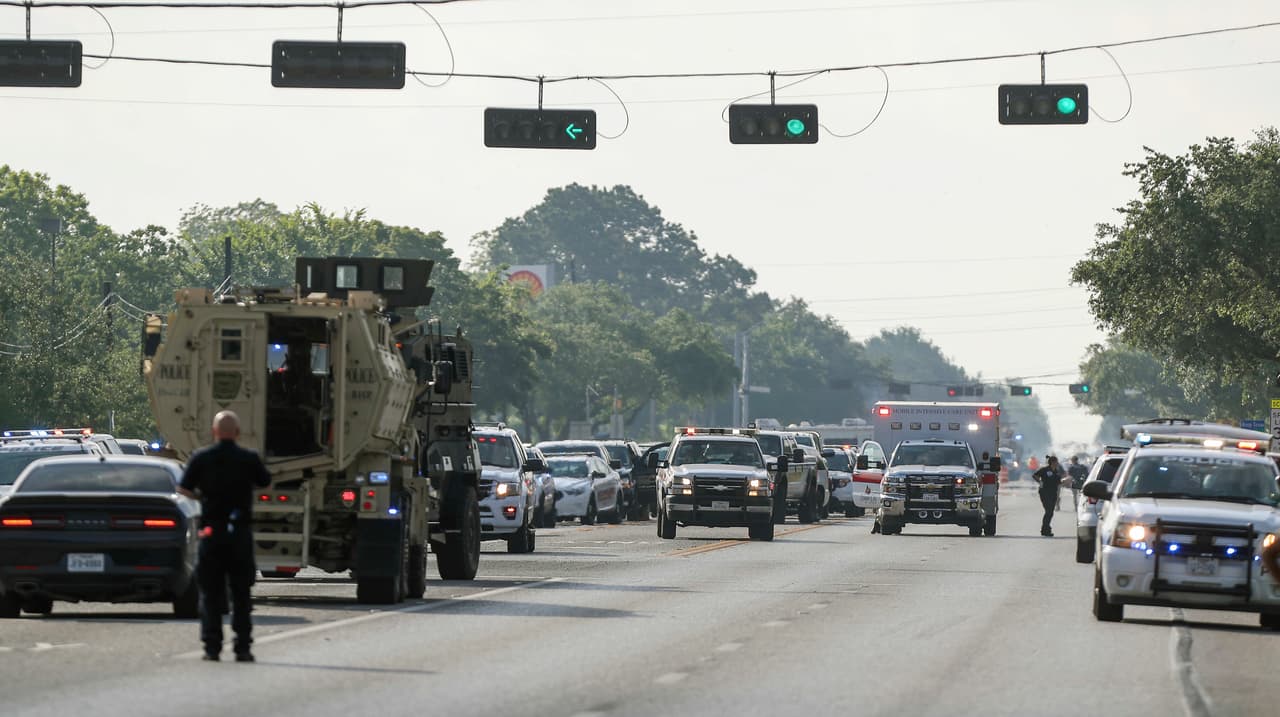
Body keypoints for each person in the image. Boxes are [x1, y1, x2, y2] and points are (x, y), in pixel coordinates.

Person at [178, 410, 272, 662]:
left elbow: (183, 488)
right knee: (241, 594)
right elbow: (266, 482)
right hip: (239, 533)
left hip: (211, 532)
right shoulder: (248, 458)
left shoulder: (202, 458)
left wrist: (203, 498)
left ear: (214, 432)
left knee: (210, 593)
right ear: (238, 433)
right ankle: (242, 647)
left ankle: (212, 647)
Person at [1032, 455, 1066, 537]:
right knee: (1048, 511)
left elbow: (1058, 481)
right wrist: (1040, 482)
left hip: (1053, 493)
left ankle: (1046, 528)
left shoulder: (1056, 471)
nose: (1057, 463)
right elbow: (1035, 475)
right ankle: (1045, 529)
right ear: (1052, 462)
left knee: (1050, 512)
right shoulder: (1045, 469)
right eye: (1056, 462)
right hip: (1044, 492)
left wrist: (1065, 482)